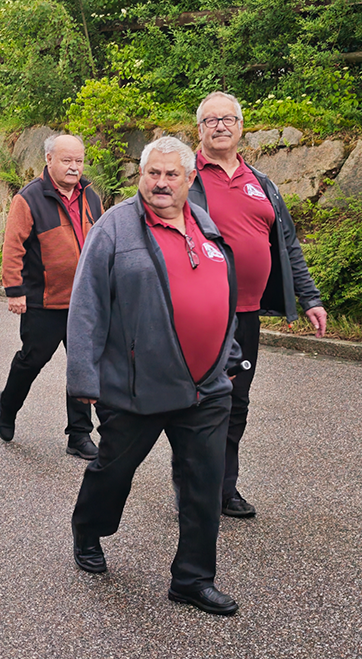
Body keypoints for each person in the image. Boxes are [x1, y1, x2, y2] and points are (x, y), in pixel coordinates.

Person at [67, 137, 242, 616]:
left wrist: (230, 348)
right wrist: (83, 380)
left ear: (190, 180)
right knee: (114, 470)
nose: (161, 183)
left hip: (206, 386)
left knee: (203, 481)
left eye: (171, 175)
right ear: (141, 176)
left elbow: (220, 289)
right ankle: (89, 527)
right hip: (135, 385)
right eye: (152, 174)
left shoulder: (204, 224)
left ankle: (192, 578)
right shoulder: (114, 228)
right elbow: (86, 307)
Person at [187, 91, 327, 518]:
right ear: (199, 130)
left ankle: (224, 489)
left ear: (241, 126)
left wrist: (310, 298)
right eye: (211, 120)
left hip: (246, 314)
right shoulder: (184, 178)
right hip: (202, 312)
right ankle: (193, 489)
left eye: (228, 119)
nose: (221, 126)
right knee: (199, 404)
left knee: (236, 403)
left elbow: (287, 244)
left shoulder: (261, 182)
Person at [0, 134, 102, 459]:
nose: (74, 167)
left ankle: (79, 435)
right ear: (49, 160)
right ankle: (8, 406)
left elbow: (102, 240)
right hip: (43, 301)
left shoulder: (91, 196)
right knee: (32, 360)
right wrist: (15, 291)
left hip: (84, 301)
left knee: (83, 367)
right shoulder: (28, 199)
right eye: (67, 160)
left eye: (79, 161)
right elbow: (13, 246)